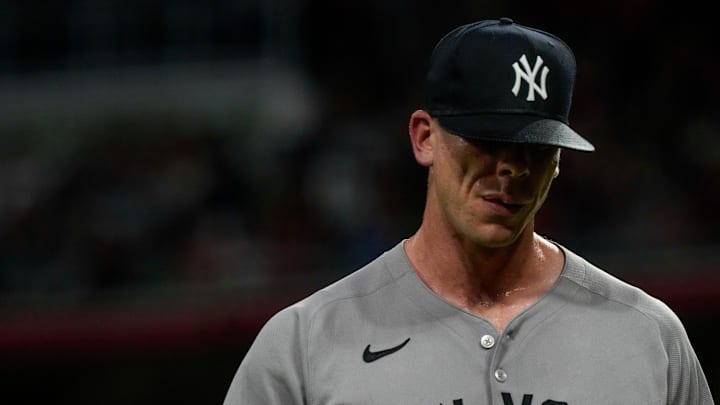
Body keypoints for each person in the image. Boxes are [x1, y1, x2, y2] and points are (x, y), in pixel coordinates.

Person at [223, 18, 715, 404]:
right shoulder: (304, 344)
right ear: (424, 137)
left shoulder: (647, 335)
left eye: (534, 149)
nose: (511, 170)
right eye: (487, 141)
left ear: (559, 160)